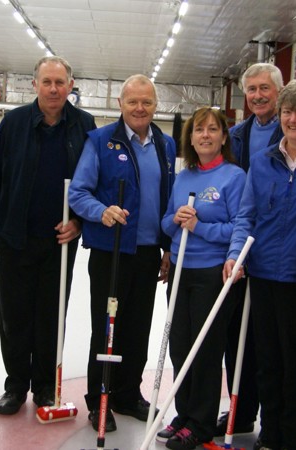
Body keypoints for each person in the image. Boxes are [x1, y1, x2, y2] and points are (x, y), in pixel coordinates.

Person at [224, 79, 296, 450]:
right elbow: (247, 214)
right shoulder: (263, 162)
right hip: (262, 275)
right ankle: (270, 431)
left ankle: (292, 436)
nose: (293, 119)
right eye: (288, 112)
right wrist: (235, 254)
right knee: (267, 361)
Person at [0, 56, 96, 415]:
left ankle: (46, 386)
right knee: (15, 316)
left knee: (51, 316)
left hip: (60, 242)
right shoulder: (14, 123)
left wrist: (79, 222)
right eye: (46, 82)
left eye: (59, 82)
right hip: (15, 238)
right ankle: (16, 385)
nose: (53, 89)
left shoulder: (84, 125)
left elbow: (95, 181)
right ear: (35, 85)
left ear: (70, 85)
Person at [69, 74, 176, 432]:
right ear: (120, 104)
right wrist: (102, 211)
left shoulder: (166, 144)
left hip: (147, 253)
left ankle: (128, 394)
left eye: (146, 102)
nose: (140, 108)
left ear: (155, 105)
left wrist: (167, 247)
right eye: (133, 102)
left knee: (137, 327)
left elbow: (170, 198)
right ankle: (99, 397)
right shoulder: (100, 141)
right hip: (110, 252)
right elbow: (79, 192)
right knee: (107, 328)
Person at [156, 107, 246, 449]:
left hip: (211, 275)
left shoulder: (234, 177)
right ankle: (184, 415)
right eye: (198, 130)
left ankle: (202, 422)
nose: (205, 135)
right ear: (190, 138)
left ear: (224, 136)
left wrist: (200, 227)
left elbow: (240, 227)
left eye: (212, 129)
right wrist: (176, 219)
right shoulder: (184, 176)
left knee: (205, 350)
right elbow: (166, 223)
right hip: (180, 270)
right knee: (180, 347)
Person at [216, 62, 286, 436]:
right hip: (239, 249)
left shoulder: (293, 130)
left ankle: (276, 422)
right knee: (234, 338)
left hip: (276, 254)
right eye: (252, 90)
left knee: (267, 341)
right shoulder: (237, 135)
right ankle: (240, 412)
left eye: (265, 88)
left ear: (279, 90)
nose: (258, 96)